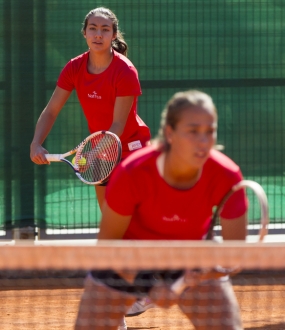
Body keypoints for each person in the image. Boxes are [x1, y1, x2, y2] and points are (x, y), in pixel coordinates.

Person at [75, 89, 248, 330]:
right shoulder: (132, 173)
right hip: (126, 257)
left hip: (190, 255)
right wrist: (148, 286)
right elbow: (108, 246)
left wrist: (208, 271)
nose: (203, 141)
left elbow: (235, 255)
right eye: (193, 131)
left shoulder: (227, 176)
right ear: (170, 134)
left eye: (210, 131)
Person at [30, 7, 151, 211]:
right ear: (84, 32)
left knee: (136, 220)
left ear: (113, 35)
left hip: (132, 151)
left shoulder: (125, 71)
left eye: (105, 29)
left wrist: (93, 154)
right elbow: (51, 110)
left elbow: (118, 125)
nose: (98, 34)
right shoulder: (74, 67)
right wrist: (36, 143)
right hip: (100, 154)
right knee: (109, 220)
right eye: (93, 28)